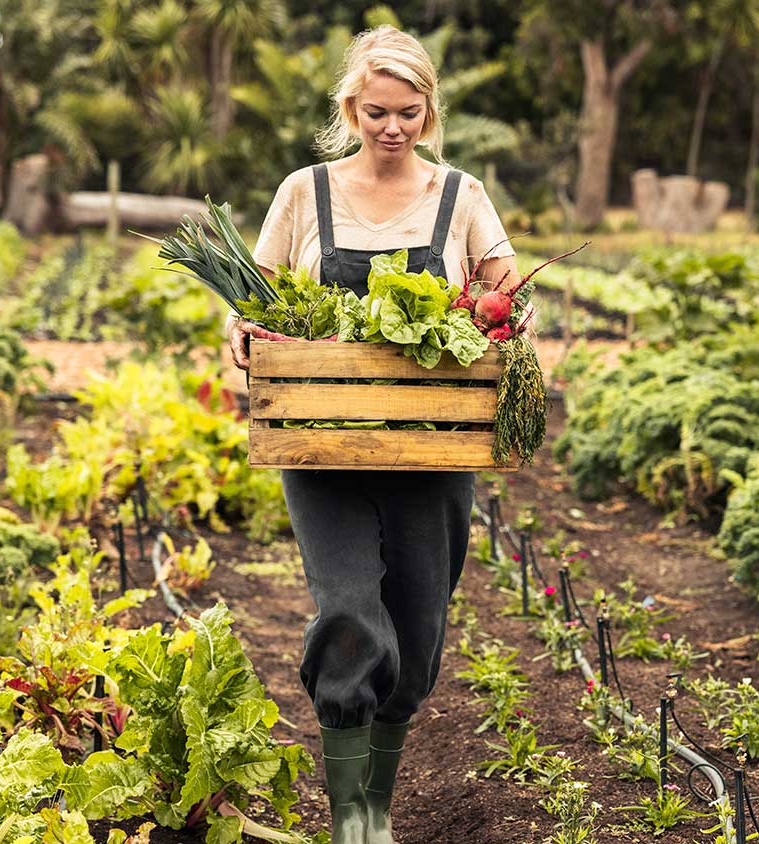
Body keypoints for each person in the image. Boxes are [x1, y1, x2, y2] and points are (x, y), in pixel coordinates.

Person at [224, 24, 518, 844]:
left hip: (433, 449)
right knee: (350, 611)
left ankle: (380, 801)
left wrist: (508, 323)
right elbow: (256, 300)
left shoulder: (460, 196)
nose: (392, 129)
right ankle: (351, 818)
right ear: (350, 109)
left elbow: (505, 291)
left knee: (419, 634)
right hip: (325, 445)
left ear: (430, 112)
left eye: (409, 114)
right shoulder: (303, 193)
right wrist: (240, 331)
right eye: (376, 112)